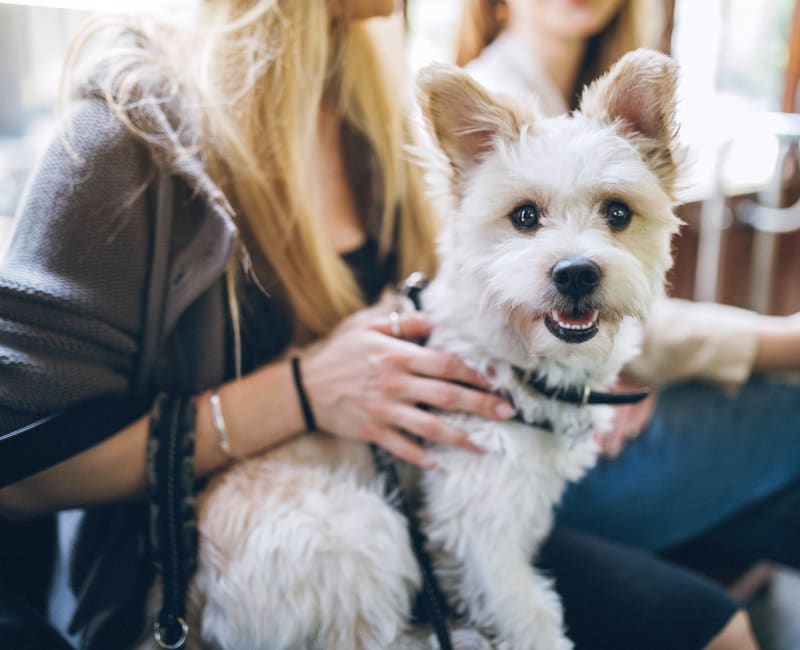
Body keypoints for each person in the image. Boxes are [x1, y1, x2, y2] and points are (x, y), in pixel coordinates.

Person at [0, 1, 772, 650]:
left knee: (720, 627)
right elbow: (21, 469)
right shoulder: (127, 130)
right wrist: (299, 393)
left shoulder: (374, 114)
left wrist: (597, 363)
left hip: (426, 498)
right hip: (199, 568)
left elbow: (479, 303)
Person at [457, 0, 800, 642]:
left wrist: (625, 361)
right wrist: (788, 342)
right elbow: (511, 308)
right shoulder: (486, 114)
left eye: (615, 212)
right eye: (531, 216)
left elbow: (631, 309)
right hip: (528, 447)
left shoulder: (597, 98)